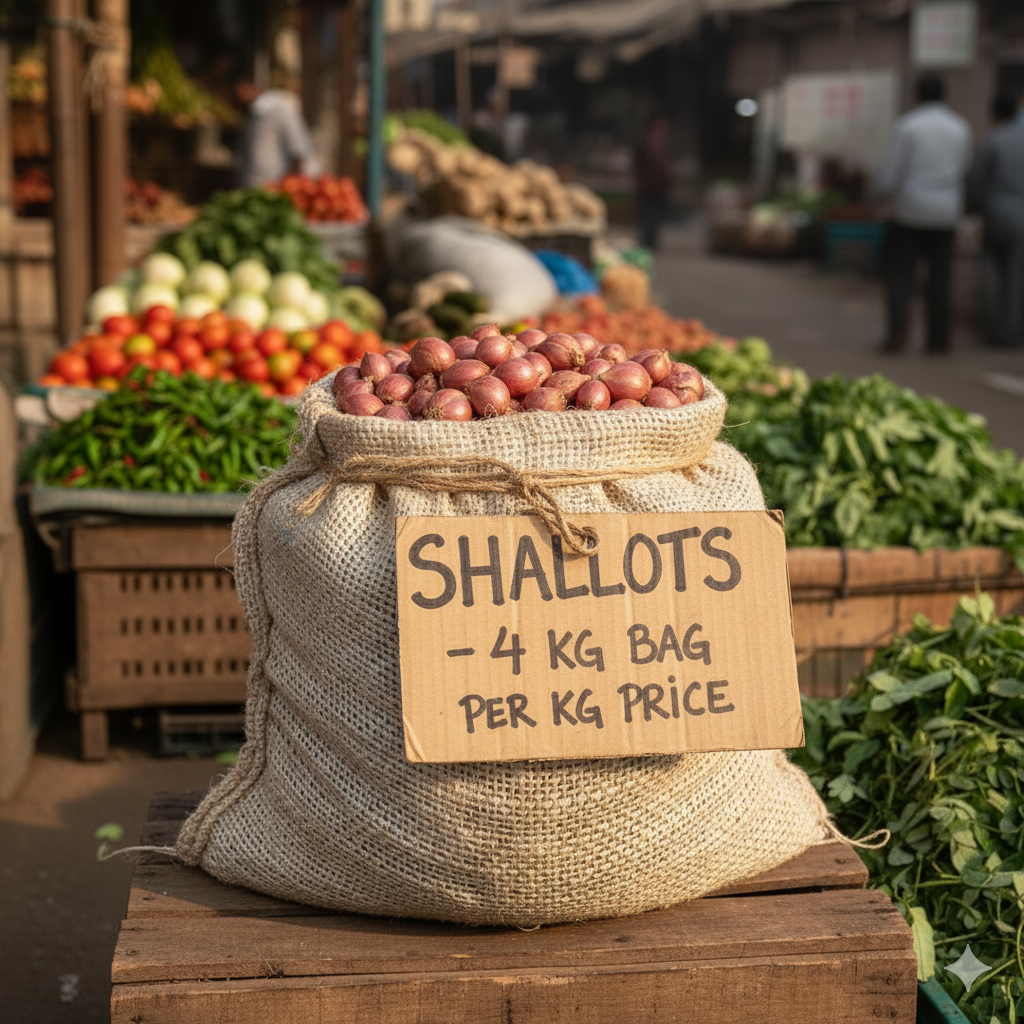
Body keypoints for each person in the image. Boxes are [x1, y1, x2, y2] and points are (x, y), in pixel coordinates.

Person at [871, 75, 972, 354]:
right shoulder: (960, 127)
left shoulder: (907, 126)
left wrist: (877, 195)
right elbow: (964, 168)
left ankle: (898, 330)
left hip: (910, 211)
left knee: (901, 275)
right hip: (946, 211)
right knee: (940, 278)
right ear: (945, 95)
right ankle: (938, 339)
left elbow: (892, 171)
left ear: (917, 95)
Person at [968, 93, 1024, 348]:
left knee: (992, 274)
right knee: (1016, 275)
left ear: (996, 113)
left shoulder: (994, 140)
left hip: (997, 213)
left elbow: (977, 183)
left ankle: (993, 331)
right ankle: (1012, 331)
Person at [236, 75, 320, 188]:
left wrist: (288, 184)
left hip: (275, 186)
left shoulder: (280, 109)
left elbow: (298, 151)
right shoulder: (251, 113)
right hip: (254, 185)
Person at [634, 113, 672, 251]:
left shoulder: (660, 140)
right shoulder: (649, 141)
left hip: (657, 183)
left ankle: (651, 239)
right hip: (651, 183)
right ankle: (648, 239)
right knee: (649, 212)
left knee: (653, 213)